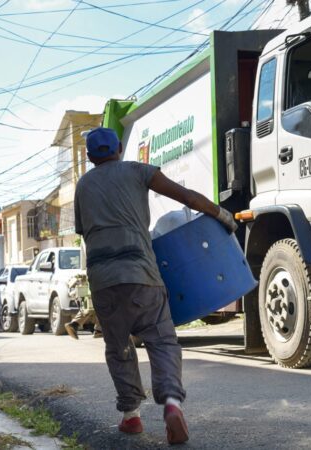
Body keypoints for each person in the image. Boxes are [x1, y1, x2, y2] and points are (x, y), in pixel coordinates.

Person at [74, 127, 237, 445]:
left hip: (104, 280)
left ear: (90, 156)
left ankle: (131, 416)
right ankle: (172, 404)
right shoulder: (138, 170)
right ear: (119, 148)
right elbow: (188, 198)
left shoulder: (83, 185)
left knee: (119, 348)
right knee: (162, 342)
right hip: (142, 272)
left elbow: (85, 231)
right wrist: (221, 214)